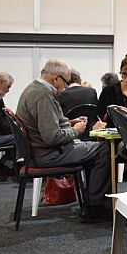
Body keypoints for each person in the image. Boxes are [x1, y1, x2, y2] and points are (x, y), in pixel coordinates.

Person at [16, 59, 111, 221]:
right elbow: (52, 137)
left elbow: (46, 125)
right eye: (66, 83)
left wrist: (70, 122)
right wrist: (76, 130)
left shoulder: (33, 89)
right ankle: (95, 207)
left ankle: (91, 202)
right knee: (104, 149)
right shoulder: (44, 95)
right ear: (56, 78)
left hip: (38, 152)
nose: (66, 88)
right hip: (48, 154)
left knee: (94, 149)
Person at [97, 51, 127, 127]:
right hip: (112, 132)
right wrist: (98, 124)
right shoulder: (108, 91)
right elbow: (97, 116)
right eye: (124, 74)